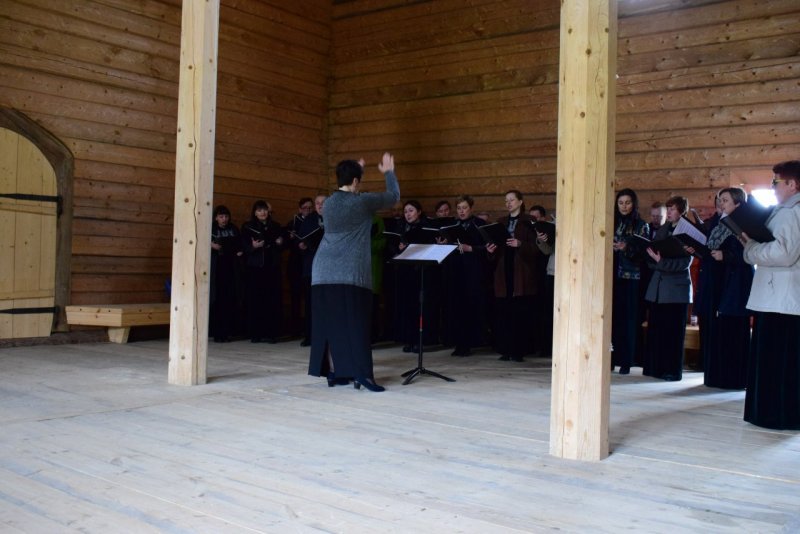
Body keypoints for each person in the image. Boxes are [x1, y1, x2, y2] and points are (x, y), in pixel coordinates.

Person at [308, 153, 400, 392]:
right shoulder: (362, 202)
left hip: (322, 271)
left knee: (331, 324)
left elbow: (347, 191)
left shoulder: (328, 203)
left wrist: (355, 172)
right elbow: (393, 197)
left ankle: (336, 373)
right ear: (357, 181)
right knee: (357, 324)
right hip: (349, 272)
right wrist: (389, 172)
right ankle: (363, 376)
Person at [741, 160, 800, 429]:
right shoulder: (786, 210)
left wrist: (750, 248)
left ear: (792, 184)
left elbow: (784, 254)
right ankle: (776, 413)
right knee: (780, 361)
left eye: (776, 182)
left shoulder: (792, 212)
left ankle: (775, 416)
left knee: (777, 362)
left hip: (782, 299)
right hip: (781, 298)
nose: (773, 187)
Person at [702, 187, 753, 389]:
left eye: (725, 200)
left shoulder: (744, 224)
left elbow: (750, 253)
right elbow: (710, 246)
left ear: (737, 204)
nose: (721, 203)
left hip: (737, 283)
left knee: (734, 329)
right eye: (720, 200)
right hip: (720, 282)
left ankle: (735, 379)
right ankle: (718, 377)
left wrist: (726, 256)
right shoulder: (719, 222)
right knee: (720, 329)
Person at [486, 190, 541, 362]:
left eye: (511, 200)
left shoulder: (529, 221)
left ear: (520, 202)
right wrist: (490, 250)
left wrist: (520, 244)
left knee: (520, 312)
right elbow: (495, 247)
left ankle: (519, 351)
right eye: (506, 201)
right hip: (504, 269)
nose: (508, 203)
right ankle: (506, 349)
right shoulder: (501, 222)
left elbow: (537, 248)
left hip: (521, 271)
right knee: (504, 311)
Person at [642, 196, 693, 381]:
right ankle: (655, 368)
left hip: (676, 290)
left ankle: (672, 370)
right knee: (657, 330)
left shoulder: (688, 231)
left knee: (673, 333)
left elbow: (685, 263)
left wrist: (660, 262)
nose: (669, 212)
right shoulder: (664, 229)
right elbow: (654, 252)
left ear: (682, 211)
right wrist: (652, 258)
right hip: (658, 287)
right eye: (668, 209)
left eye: (672, 209)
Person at [440, 195, 489, 356]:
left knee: (471, 306)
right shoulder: (452, 225)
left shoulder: (480, 224)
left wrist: (471, 248)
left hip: (474, 270)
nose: (461, 211)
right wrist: (444, 244)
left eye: (465, 208)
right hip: (456, 269)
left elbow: (488, 247)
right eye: (459, 208)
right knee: (456, 306)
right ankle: (459, 343)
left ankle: (472, 342)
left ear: (471, 208)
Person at [390, 200, 439, 352]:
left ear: (419, 212)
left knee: (421, 307)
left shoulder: (426, 227)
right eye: (405, 212)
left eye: (411, 211)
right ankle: (409, 339)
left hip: (421, 271)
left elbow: (429, 248)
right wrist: (399, 249)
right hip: (405, 271)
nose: (408, 214)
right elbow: (392, 246)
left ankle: (421, 340)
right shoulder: (400, 227)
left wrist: (411, 247)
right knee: (407, 306)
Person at [611, 189, 650, 374]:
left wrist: (625, 247)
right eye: (621, 203)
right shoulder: (611, 222)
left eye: (627, 202)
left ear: (633, 204)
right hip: (611, 276)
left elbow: (644, 254)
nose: (624, 206)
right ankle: (611, 359)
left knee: (629, 320)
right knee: (612, 319)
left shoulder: (641, 225)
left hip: (631, 278)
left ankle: (627, 361)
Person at [241, 200, 284, 343]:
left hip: (272, 267)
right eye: (259, 210)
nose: (262, 213)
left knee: (271, 300)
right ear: (255, 212)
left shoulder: (276, 226)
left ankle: (271, 333)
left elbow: (282, 244)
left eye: (264, 210)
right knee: (255, 300)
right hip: (255, 268)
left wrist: (280, 243)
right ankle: (256, 333)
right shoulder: (248, 226)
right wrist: (253, 246)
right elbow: (244, 246)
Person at [209, 205, 242, 342]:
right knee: (217, 299)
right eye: (221, 216)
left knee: (230, 298)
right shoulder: (211, 229)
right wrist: (211, 245)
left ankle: (228, 331)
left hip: (231, 267)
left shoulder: (233, 229)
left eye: (226, 216)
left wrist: (240, 251)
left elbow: (240, 243)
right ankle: (217, 332)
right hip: (216, 267)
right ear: (216, 217)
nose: (224, 219)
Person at [297, 194, 326, 346]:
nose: (320, 205)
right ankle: (310, 336)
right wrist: (301, 245)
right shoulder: (309, 220)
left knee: (327, 304)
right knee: (310, 303)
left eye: (323, 203)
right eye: (317, 203)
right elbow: (300, 239)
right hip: (311, 267)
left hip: (329, 269)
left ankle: (326, 336)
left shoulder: (334, 218)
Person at [285, 197, 314, 338]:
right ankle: (295, 329)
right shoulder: (293, 223)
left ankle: (309, 329)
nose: (307, 210)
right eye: (304, 208)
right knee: (295, 297)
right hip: (296, 264)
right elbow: (285, 244)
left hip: (309, 264)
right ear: (299, 209)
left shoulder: (316, 221)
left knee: (310, 298)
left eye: (310, 208)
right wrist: (291, 239)